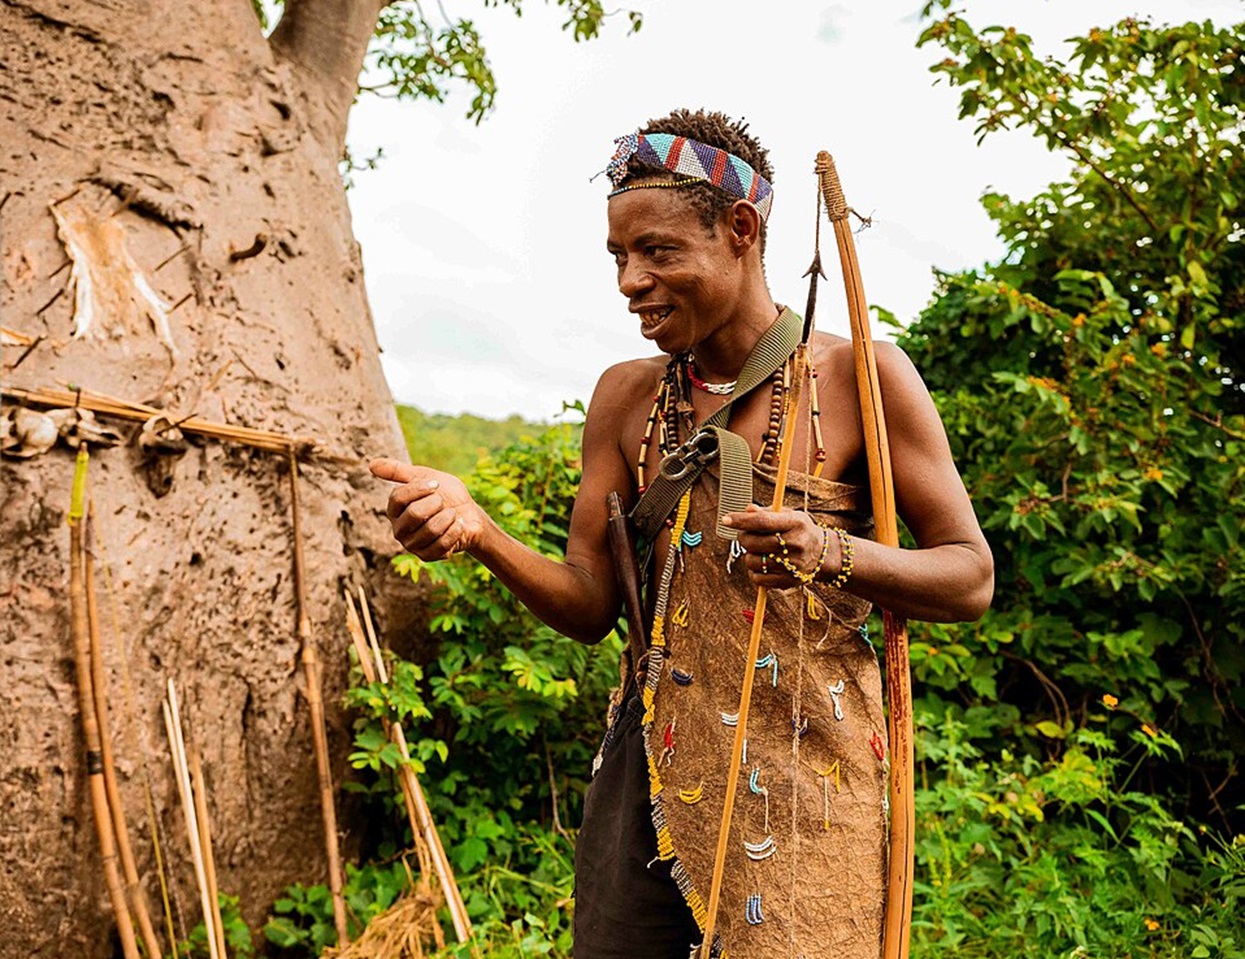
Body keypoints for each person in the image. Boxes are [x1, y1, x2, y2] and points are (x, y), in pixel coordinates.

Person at [371, 109, 993, 959]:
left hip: (809, 779)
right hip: (650, 780)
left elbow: (969, 577)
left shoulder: (861, 378)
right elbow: (591, 604)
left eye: (658, 251)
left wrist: (829, 551)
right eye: (619, 257)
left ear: (741, 230)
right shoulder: (625, 398)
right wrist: (480, 532)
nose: (630, 280)